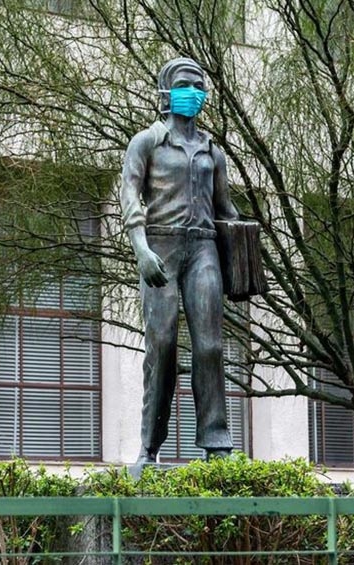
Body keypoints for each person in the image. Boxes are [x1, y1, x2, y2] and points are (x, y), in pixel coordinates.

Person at [120, 57, 238, 470]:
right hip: (160, 248)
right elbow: (130, 198)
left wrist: (245, 245)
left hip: (203, 248)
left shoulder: (212, 153)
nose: (195, 93)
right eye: (187, 85)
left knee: (210, 345)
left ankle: (216, 441)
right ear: (166, 93)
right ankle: (149, 447)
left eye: (200, 86)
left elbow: (225, 209)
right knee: (163, 344)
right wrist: (140, 249)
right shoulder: (146, 142)